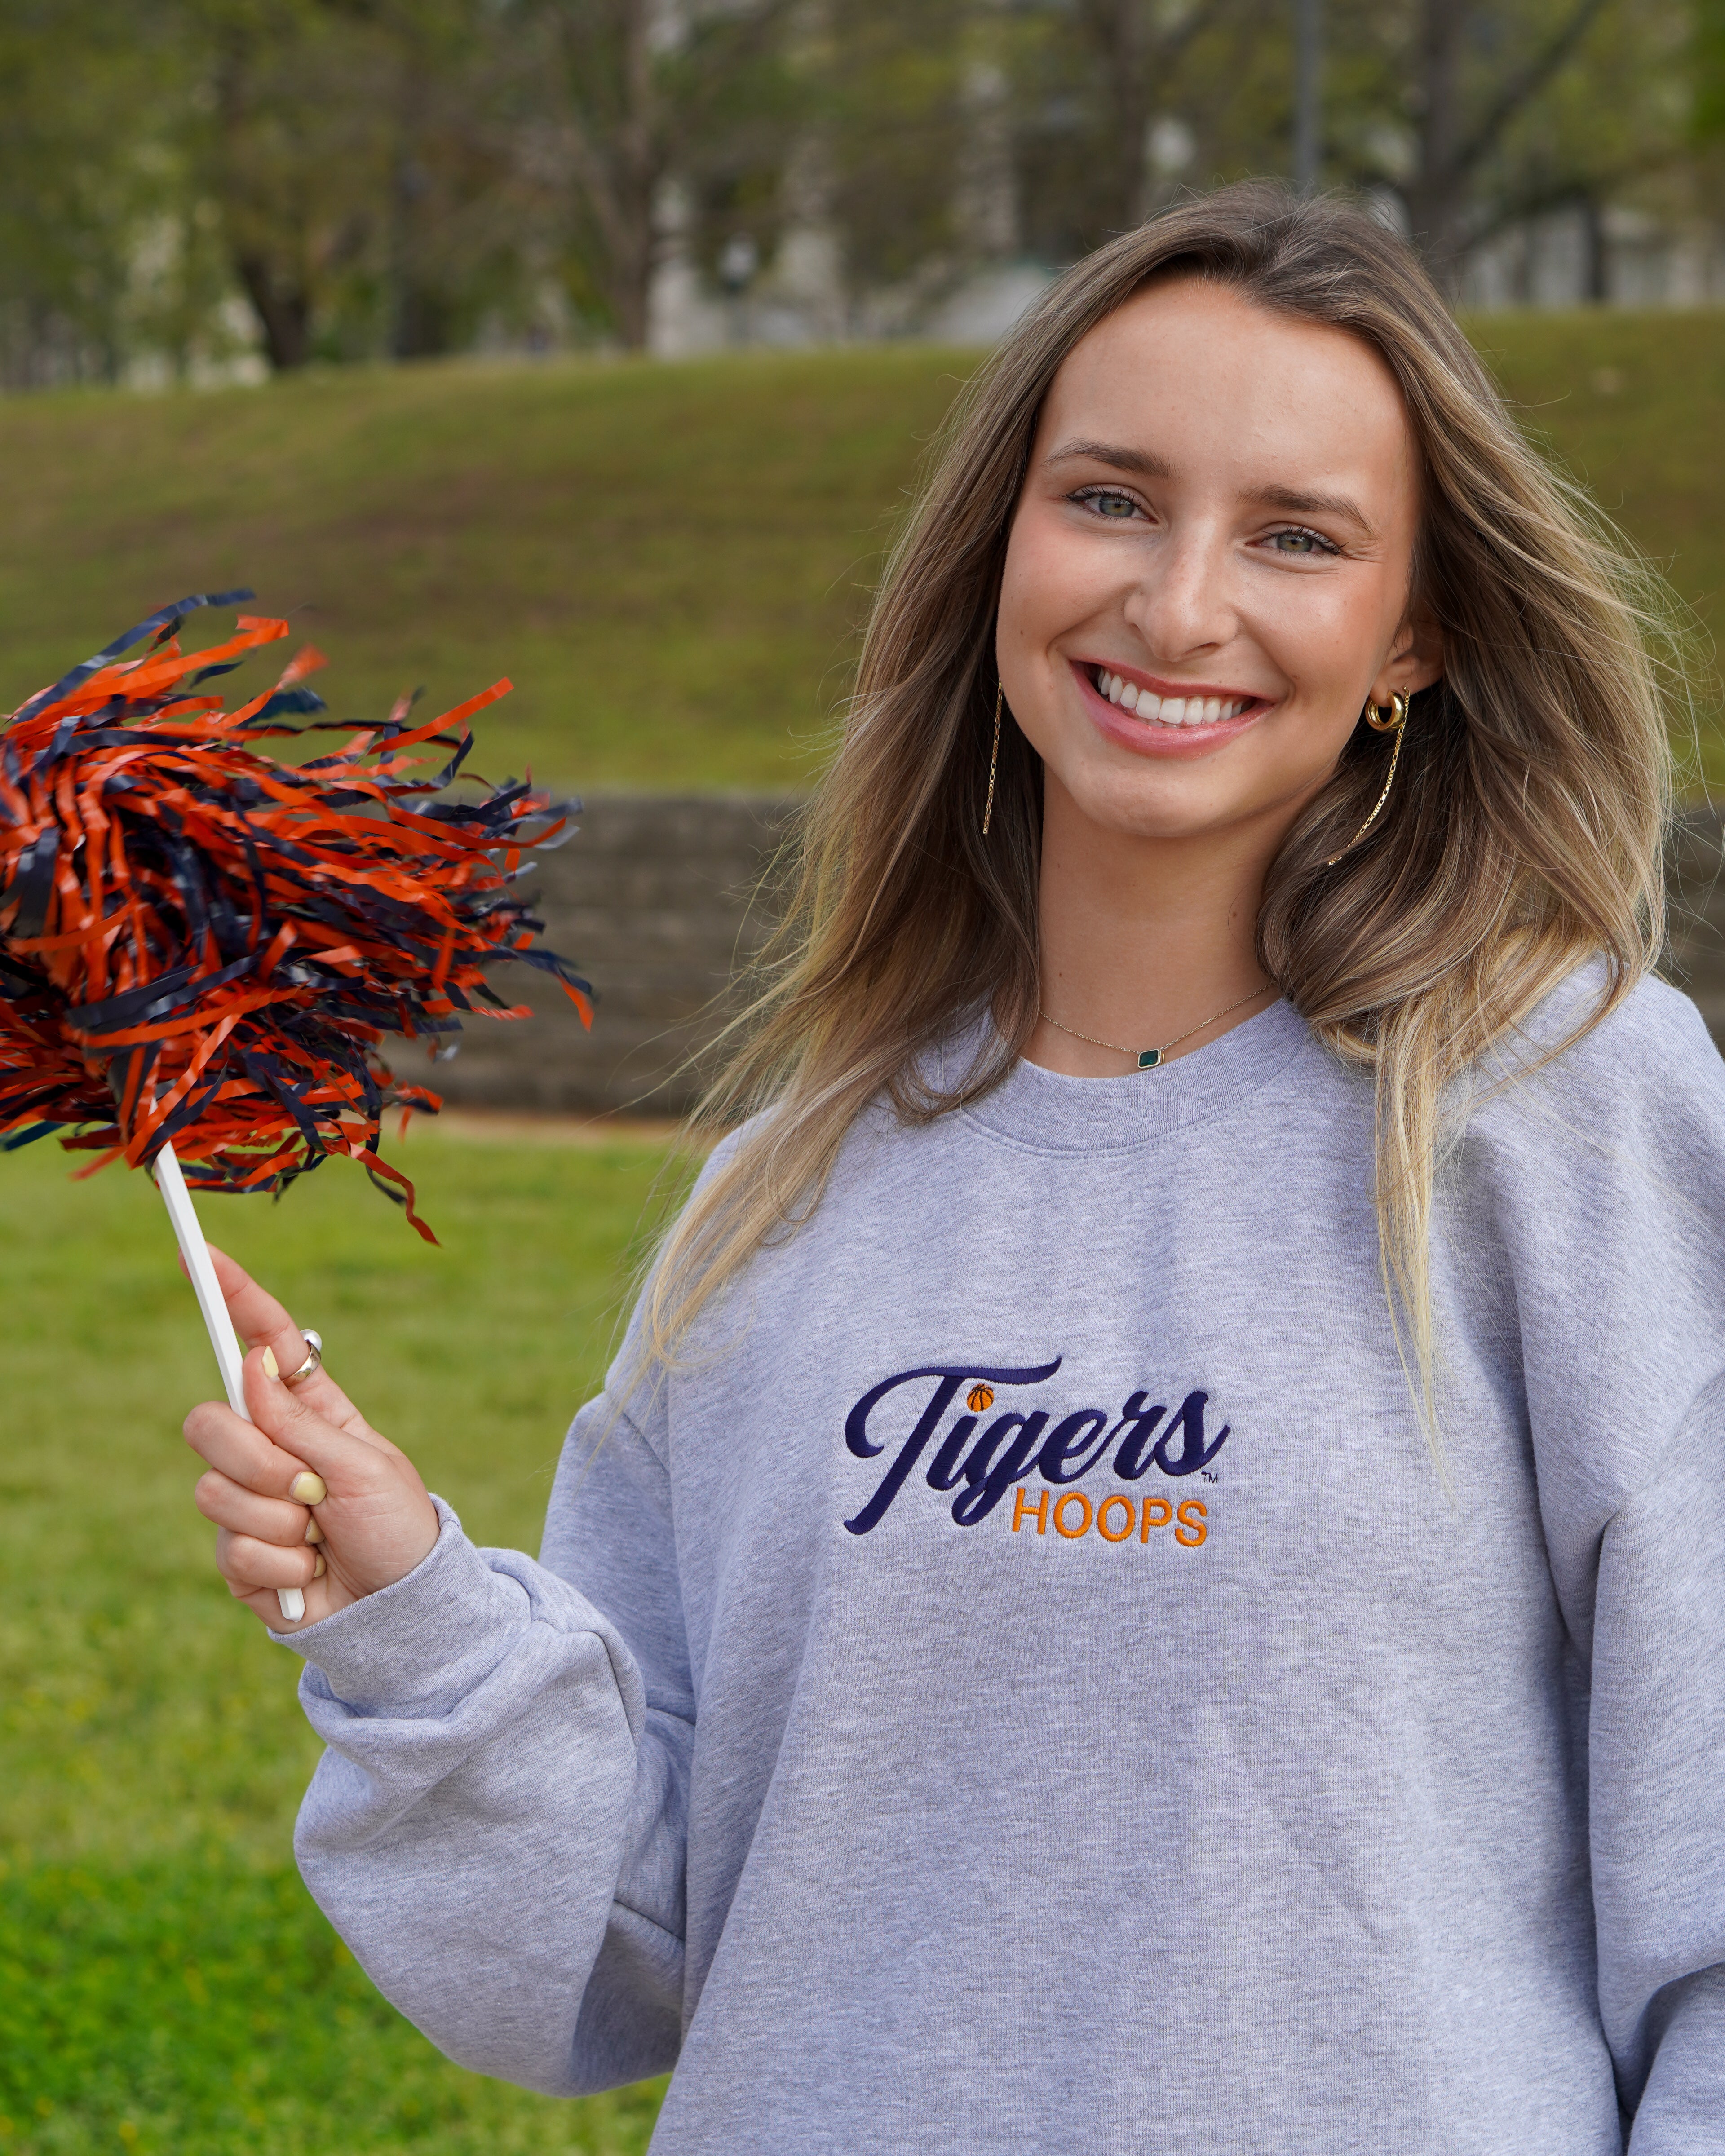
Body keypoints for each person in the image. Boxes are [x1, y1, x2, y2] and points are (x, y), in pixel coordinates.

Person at [183, 182, 1725, 2153]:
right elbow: (614, 1956)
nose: (1178, 606)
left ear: (1413, 630)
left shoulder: (1564, 1113)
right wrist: (412, 1613)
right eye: (1109, 500)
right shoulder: (784, 1192)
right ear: (1004, 539)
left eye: (1296, 536)